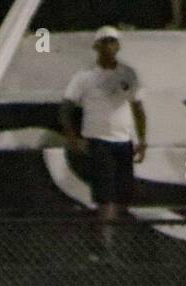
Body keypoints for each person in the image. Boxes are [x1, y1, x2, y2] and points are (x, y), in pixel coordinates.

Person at [61, 27, 147, 232]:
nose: (109, 46)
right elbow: (65, 109)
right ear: (96, 46)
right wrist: (73, 138)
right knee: (105, 196)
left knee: (123, 194)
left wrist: (142, 140)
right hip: (98, 141)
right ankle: (104, 246)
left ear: (118, 46)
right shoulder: (84, 76)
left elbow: (138, 108)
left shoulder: (128, 73)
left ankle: (115, 240)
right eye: (105, 41)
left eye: (113, 41)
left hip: (123, 141)